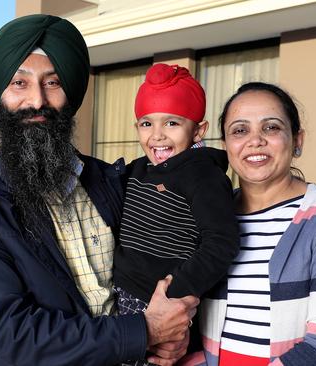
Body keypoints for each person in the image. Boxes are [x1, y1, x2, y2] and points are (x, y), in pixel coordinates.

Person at [0, 14, 198, 366]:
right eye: (19, 83)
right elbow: (11, 336)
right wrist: (146, 332)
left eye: (53, 82)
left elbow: (168, 260)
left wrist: (177, 334)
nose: (37, 101)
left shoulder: (114, 182)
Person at [191, 82, 316, 365]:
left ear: (297, 140)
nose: (255, 140)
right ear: (226, 146)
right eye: (240, 130)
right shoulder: (211, 214)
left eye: (271, 127)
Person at [112, 63, 239, 365]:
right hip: (114, 298)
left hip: (157, 304)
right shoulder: (137, 170)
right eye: (146, 124)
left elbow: (221, 243)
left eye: (171, 123)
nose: (157, 136)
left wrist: (173, 293)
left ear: (198, 130)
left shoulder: (204, 177)